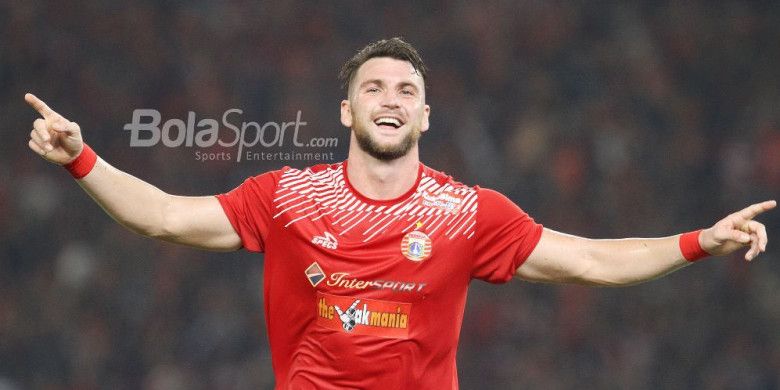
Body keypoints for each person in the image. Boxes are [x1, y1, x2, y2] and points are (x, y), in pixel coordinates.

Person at [25, 38, 774, 389]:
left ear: (426, 118)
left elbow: (587, 259)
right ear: (346, 110)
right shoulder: (287, 196)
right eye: (376, 88)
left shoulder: (467, 211)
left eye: (407, 90)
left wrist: (697, 242)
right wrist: (82, 159)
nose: (391, 99)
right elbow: (159, 215)